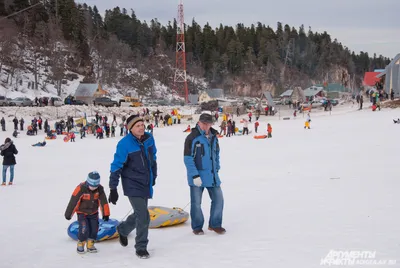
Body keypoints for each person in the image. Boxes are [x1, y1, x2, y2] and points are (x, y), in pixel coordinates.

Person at [108, 114, 158, 259]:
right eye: (137, 126)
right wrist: (113, 188)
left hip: (145, 182)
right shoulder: (124, 144)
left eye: (142, 124)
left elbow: (153, 158)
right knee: (143, 216)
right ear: (130, 129)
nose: (141, 127)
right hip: (132, 183)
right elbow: (116, 165)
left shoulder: (149, 139)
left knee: (139, 213)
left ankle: (123, 229)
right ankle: (141, 247)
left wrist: (153, 176)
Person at [184, 113, 225, 235]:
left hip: (212, 175)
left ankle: (215, 224)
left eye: (209, 124)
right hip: (197, 176)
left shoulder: (214, 137)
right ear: (199, 123)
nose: (206, 126)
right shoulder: (192, 137)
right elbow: (187, 158)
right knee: (196, 203)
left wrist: (216, 167)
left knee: (219, 200)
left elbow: (216, 153)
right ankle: (197, 227)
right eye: (204, 124)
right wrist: (194, 175)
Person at [64, 171, 110, 254]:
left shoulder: (100, 189)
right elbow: (73, 201)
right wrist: (68, 214)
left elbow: (103, 202)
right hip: (82, 213)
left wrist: (106, 214)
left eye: (95, 186)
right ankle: (81, 243)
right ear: (88, 182)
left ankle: (90, 244)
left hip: (93, 213)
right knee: (84, 229)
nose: (93, 188)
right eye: (91, 186)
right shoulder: (81, 188)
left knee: (94, 229)